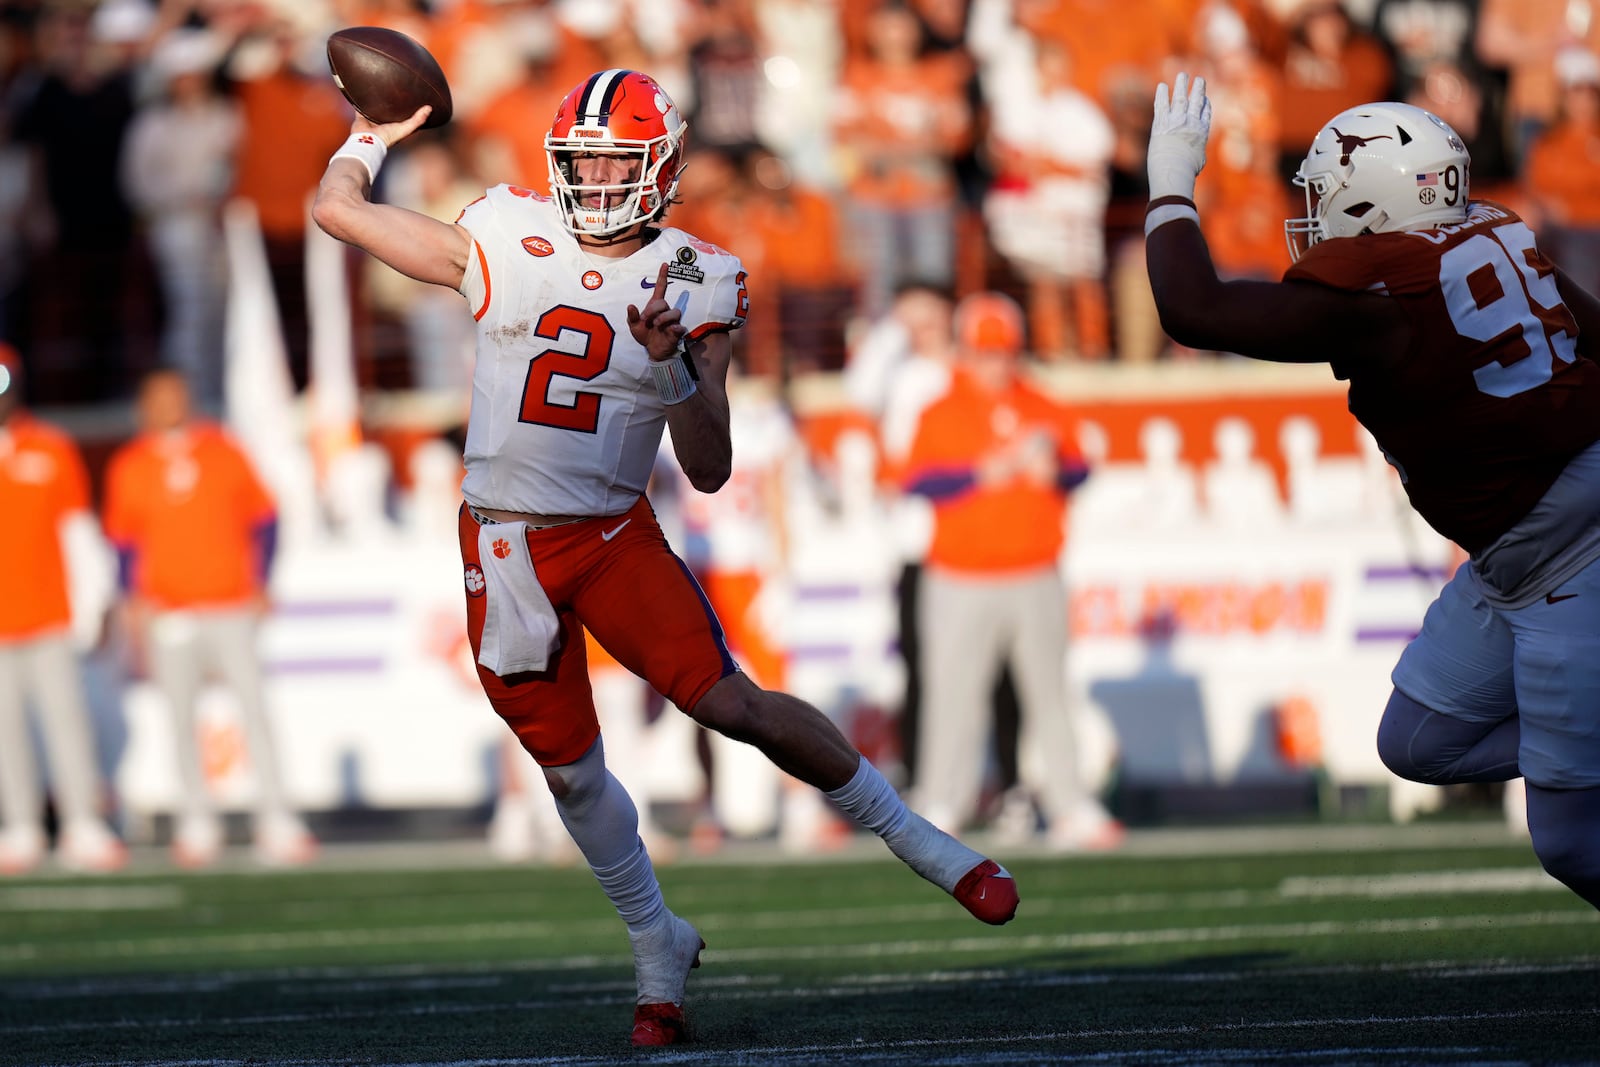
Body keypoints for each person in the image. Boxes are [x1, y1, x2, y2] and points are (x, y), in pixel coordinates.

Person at [310, 68, 1018, 1048]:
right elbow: (337, 212)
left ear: (662, 168)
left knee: (726, 699)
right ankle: (657, 940)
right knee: (567, 771)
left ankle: (925, 843)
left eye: (615, 160)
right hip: (504, 539)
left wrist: (677, 363)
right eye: (583, 160)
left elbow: (712, 464)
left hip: (609, 533)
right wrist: (369, 136)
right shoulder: (507, 233)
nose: (597, 181)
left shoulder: (698, 275)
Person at [1143, 73, 1600, 910]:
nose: (1316, 211)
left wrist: (1170, 184)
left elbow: (1193, 309)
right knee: (1418, 741)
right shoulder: (1500, 231)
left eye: (1329, 191)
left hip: (1571, 552)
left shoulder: (1382, 292)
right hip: (1526, 547)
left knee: (1572, 840)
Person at [901, 291, 1119, 849]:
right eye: (984, 352)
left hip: (1034, 571)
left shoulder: (1043, 404)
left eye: (1002, 352)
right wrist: (979, 475)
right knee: (953, 696)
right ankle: (943, 802)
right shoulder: (939, 409)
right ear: (966, 353)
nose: (995, 363)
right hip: (959, 575)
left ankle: (1071, 804)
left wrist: (1058, 474)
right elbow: (917, 480)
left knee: (1049, 693)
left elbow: (1079, 467)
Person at [102, 368, 316, 868]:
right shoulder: (131, 464)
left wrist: (261, 580)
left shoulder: (223, 450)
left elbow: (264, 518)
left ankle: (276, 815)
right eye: (157, 396)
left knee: (254, 711)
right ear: (143, 404)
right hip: (169, 610)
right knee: (179, 718)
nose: (167, 404)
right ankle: (197, 818)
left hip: (230, 601)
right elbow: (123, 542)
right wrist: (132, 598)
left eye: (174, 394)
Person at [0, 346, 127, 874]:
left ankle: (81, 822)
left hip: (48, 614)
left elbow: (78, 532)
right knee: (4, 734)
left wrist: (91, 604)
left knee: (66, 724)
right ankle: (21, 827)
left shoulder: (50, 448)